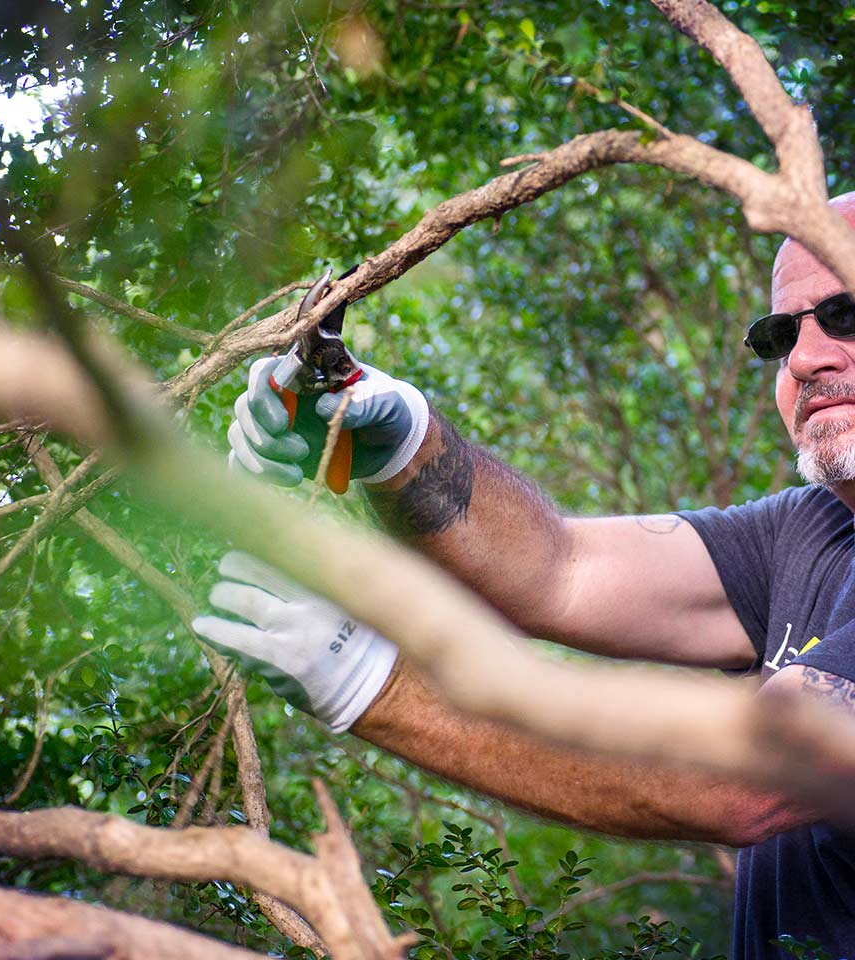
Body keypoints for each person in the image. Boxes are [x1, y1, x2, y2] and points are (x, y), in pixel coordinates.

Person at [193, 192, 855, 959]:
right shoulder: (814, 528)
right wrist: (398, 442)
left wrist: (372, 684)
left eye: (847, 317)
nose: (803, 359)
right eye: (782, 335)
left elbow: (744, 781)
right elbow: (558, 571)